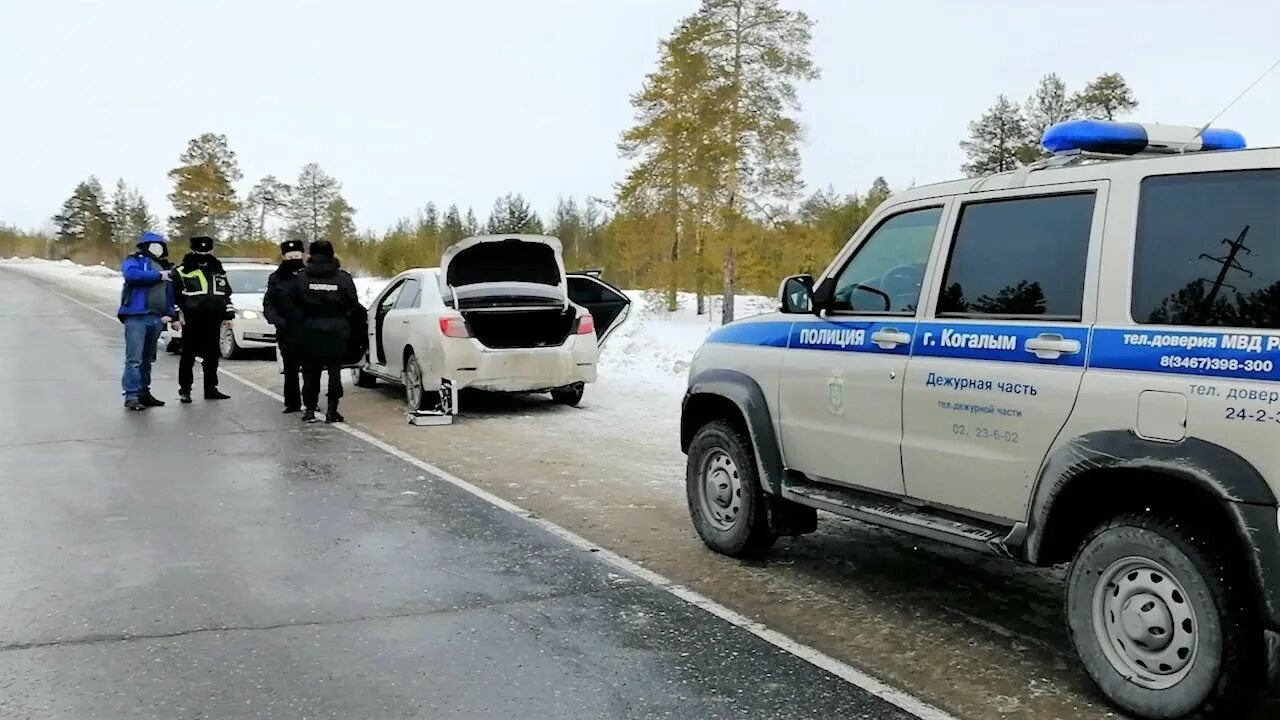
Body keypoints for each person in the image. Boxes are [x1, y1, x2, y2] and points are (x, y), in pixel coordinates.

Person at [291, 240, 361, 423]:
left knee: (310, 373)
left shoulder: (302, 278)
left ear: (310, 255)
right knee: (334, 372)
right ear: (332, 254)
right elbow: (353, 304)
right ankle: (332, 411)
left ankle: (310, 410)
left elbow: (293, 304)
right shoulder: (342, 277)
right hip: (336, 330)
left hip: (309, 331)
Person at [118, 232, 177, 411]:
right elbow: (131, 275)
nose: (157, 248)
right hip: (136, 316)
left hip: (155, 317)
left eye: (160, 244)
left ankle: (144, 391)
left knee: (147, 359)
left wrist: (171, 314)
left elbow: (168, 294)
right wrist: (158, 276)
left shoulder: (165, 267)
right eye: (153, 244)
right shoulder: (134, 261)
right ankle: (131, 395)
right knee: (134, 359)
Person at [173, 235, 233, 403]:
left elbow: (226, 294)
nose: (204, 253)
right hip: (192, 319)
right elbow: (175, 297)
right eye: (200, 250)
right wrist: (176, 317)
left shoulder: (218, 270)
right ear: (193, 250)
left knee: (212, 356)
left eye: (207, 250)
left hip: (214, 318)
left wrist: (229, 315)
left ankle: (211, 388)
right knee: (188, 356)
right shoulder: (182, 270)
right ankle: (185, 390)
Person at [263, 239, 306, 413]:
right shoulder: (276, 278)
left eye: (297, 255)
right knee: (290, 369)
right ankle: (292, 402)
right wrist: (277, 320)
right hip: (287, 330)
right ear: (284, 257)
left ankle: (311, 400)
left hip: (308, 329)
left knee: (311, 369)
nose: (294, 259)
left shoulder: (308, 275)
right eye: (290, 256)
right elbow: (269, 303)